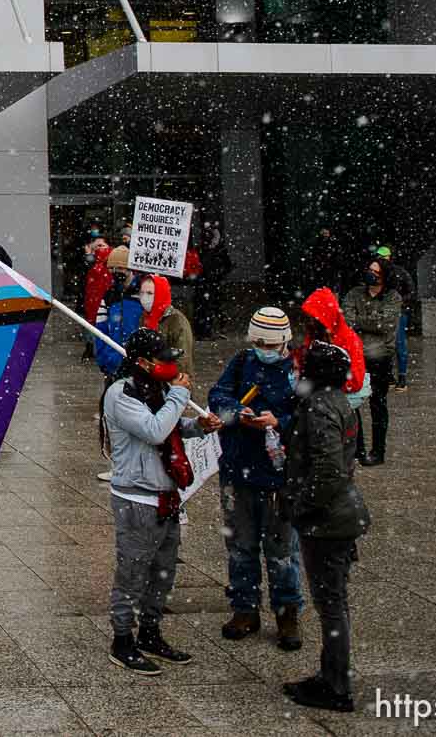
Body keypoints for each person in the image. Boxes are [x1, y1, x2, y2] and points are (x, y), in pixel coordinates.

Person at [100, 328, 221, 675]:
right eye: (163, 360)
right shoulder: (119, 394)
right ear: (142, 362)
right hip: (136, 498)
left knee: (163, 573)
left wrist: (197, 426)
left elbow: (171, 427)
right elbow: (153, 430)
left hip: (167, 494)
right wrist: (180, 396)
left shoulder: (159, 389)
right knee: (132, 573)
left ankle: (151, 632)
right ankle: (122, 640)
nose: (170, 366)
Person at [206, 306, 304, 652]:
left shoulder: (297, 371)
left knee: (281, 552)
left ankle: (287, 612)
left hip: (278, 478)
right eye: (257, 341)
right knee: (240, 546)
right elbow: (216, 396)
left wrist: (278, 422)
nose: (262, 348)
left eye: (268, 343)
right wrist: (236, 412)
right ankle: (244, 608)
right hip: (238, 468)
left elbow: (306, 419)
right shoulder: (241, 362)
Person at [281, 341, 371, 714]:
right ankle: (331, 673)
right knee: (334, 602)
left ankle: (337, 685)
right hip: (340, 515)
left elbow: (329, 470)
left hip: (328, 522)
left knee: (331, 604)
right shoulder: (337, 402)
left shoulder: (319, 407)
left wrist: (301, 507)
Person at [341, 263, 401, 465]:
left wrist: (360, 321)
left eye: (376, 271)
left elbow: (385, 324)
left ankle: (378, 451)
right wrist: (367, 322)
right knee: (352, 402)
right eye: (369, 269)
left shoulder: (392, 297)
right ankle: (357, 449)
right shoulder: (354, 294)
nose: (371, 274)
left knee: (378, 404)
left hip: (380, 357)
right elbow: (347, 320)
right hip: (355, 355)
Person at [297, 288, 366, 409]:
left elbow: (356, 381)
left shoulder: (349, 340)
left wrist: (319, 383)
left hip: (338, 405)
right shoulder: (314, 335)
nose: (309, 322)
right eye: (308, 318)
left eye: (314, 318)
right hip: (318, 403)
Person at [93, 248, 144, 376]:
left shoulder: (144, 292)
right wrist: (103, 360)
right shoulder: (109, 295)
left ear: (129, 268)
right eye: (112, 269)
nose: (115, 272)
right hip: (113, 365)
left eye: (119, 268)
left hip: (138, 365)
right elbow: (100, 330)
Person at [372, 245, 416, 388]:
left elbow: (411, 291)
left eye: (383, 258)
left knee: (398, 343)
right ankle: (389, 376)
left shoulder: (399, 273)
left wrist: (399, 303)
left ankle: (401, 378)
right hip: (383, 313)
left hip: (398, 313)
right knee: (385, 344)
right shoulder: (377, 275)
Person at [80, 238, 112, 364]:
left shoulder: (111, 262)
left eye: (101, 245)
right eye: (96, 247)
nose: (99, 249)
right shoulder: (91, 264)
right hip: (92, 303)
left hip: (105, 302)